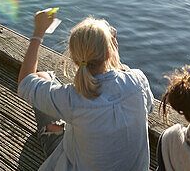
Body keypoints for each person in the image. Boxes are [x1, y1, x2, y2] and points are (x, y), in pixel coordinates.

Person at [17, 10, 155, 171]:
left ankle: (54, 130)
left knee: (42, 77)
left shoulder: (73, 99)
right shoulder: (138, 80)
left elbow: (25, 83)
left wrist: (38, 33)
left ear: (75, 58)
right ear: (110, 51)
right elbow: (148, 107)